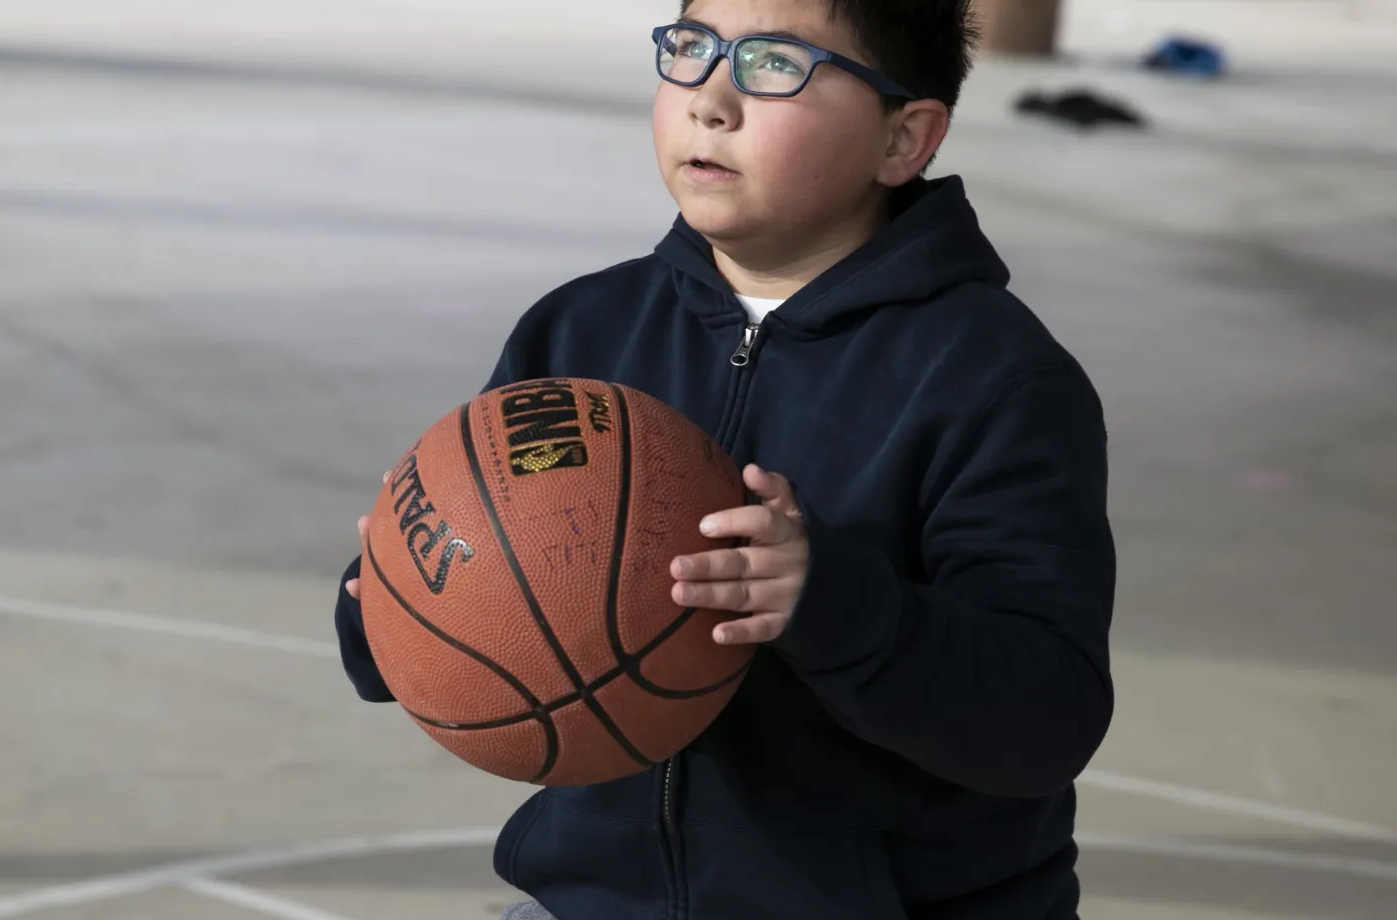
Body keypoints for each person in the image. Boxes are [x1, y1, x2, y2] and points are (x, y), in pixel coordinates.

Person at [333, 0, 1117, 916]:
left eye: (773, 64)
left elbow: (1046, 719)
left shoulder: (993, 380)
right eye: (692, 49)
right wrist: (402, 591)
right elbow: (484, 639)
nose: (711, 98)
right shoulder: (580, 328)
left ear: (904, 139)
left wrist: (833, 602)